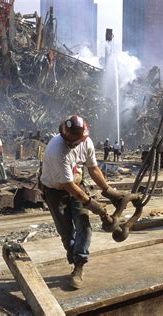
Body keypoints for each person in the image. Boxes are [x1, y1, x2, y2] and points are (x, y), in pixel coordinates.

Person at [40, 115, 124, 289]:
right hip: (56, 191)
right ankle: (74, 256)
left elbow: (92, 168)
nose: (74, 144)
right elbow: (68, 185)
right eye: (70, 141)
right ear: (64, 135)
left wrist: (108, 191)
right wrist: (92, 204)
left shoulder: (86, 142)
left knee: (84, 226)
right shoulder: (57, 150)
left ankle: (79, 265)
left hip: (77, 184)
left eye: (76, 141)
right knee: (66, 232)